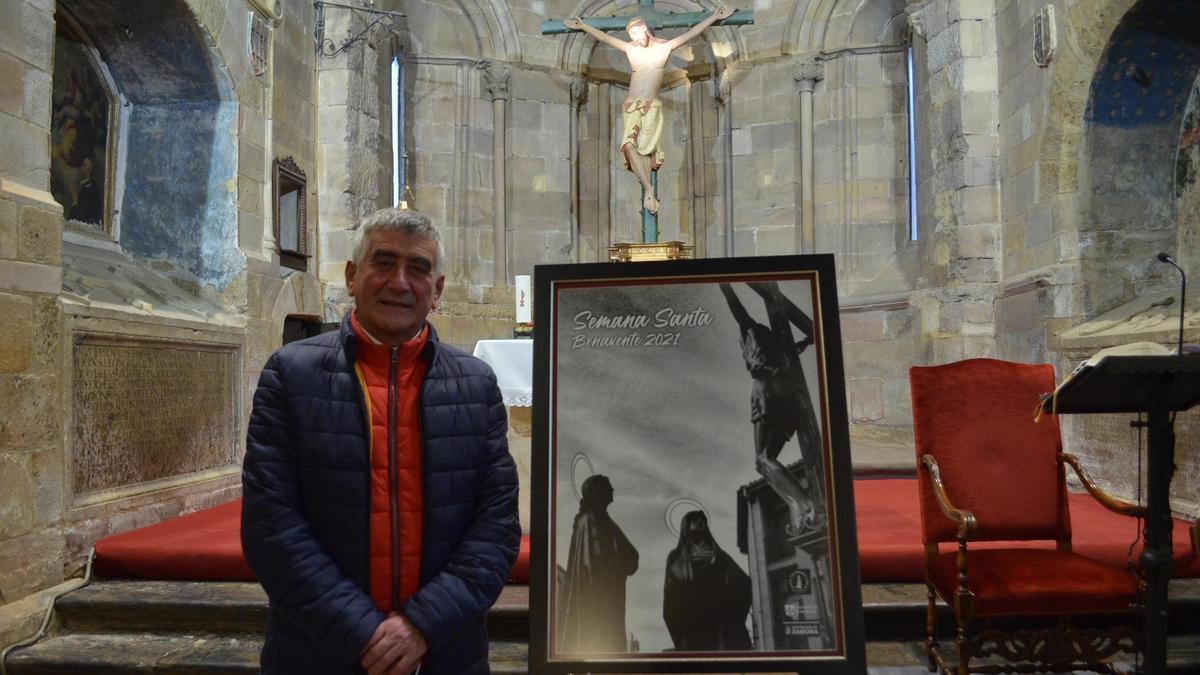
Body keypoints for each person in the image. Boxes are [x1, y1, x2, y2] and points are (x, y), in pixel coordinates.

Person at [241, 207, 520, 674]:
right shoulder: (290, 376)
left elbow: (495, 529)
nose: (400, 282)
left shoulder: (476, 385)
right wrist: (364, 634)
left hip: (445, 653)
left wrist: (420, 627)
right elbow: (272, 527)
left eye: (418, 268)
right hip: (319, 652)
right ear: (352, 276)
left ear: (437, 291)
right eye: (384, 262)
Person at [564, 5, 734, 214]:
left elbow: (691, 33)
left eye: (636, 33)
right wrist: (583, 26)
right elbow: (606, 39)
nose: (635, 38)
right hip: (630, 105)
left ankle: (648, 190)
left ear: (644, 28)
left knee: (646, 151)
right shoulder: (631, 50)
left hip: (651, 106)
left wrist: (714, 17)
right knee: (628, 146)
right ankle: (648, 189)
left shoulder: (664, 48)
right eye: (631, 35)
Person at [719, 281, 822, 533]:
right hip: (787, 397)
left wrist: (726, 287)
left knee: (762, 460)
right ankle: (804, 504)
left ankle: (806, 503)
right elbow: (799, 346)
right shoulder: (780, 343)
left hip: (764, 391)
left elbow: (738, 311)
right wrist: (808, 339)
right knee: (768, 458)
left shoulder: (751, 330)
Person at [558, 474, 639, 653]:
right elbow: (595, 563)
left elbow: (631, 556)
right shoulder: (590, 521)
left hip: (606, 599)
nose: (612, 490)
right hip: (597, 599)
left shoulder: (603, 521)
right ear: (596, 491)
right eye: (608, 486)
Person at [663, 510, 752, 651]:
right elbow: (671, 602)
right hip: (695, 631)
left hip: (722, 629)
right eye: (696, 521)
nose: (701, 524)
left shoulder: (720, 557)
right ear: (686, 528)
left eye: (703, 521)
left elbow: (745, 584)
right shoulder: (677, 559)